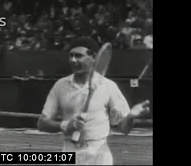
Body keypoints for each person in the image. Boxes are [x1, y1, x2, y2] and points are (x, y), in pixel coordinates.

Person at [37, 37, 150, 165]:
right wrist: (66, 125)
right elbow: (42, 123)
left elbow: (124, 129)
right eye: (71, 56)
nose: (73, 60)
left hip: (100, 156)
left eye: (79, 56)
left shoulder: (108, 86)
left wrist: (131, 116)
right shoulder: (60, 85)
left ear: (94, 57)